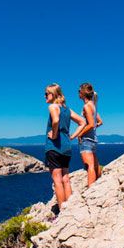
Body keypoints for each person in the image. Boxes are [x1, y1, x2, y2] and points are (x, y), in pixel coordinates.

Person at [44, 84, 74, 214]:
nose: (45, 96)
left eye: (46, 93)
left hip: (54, 147)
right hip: (66, 147)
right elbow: (83, 122)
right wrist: (71, 137)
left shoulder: (52, 106)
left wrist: (54, 134)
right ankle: (71, 208)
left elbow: (55, 120)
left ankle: (62, 212)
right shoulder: (67, 110)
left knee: (57, 180)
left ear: (53, 94)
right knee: (65, 178)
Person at [70, 82, 102, 186]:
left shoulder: (86, 106)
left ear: (83, 93)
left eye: (79, 91)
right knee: (95, 165)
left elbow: (91, 124)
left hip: (86, 140)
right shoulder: (93, 106)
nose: (78, 93)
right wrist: (92, 128)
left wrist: (80, 134)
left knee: (89, 166)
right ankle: (98, 184)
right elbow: (100, 122)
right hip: (93, 139)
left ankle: (91, 190)